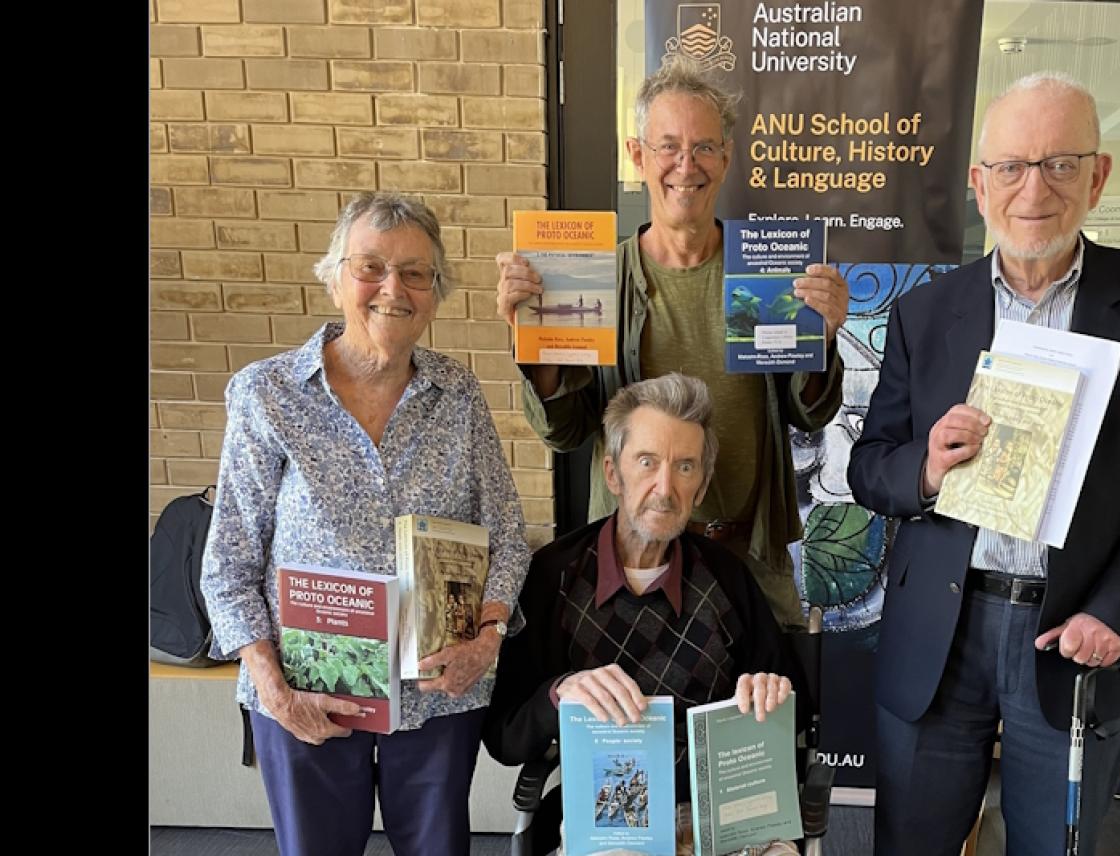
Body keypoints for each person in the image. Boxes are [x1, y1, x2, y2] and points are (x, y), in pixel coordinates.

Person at [846, 71, 1120, 855]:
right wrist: (929, 467)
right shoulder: (926, 310)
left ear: (1098, 175)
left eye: (1059, 163)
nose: (1034, 189)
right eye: (1012, 166)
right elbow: (870, 468)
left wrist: (1117, 613)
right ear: (980, 185)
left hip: (1072, 636)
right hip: (939, 637)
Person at [200, 191, 532, 856]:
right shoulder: (268, 396)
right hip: (307, 693)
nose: (393, 289)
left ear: (435, 293)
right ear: (333, 277)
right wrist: (274, 689)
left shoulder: (457, 395)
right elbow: (228, 563)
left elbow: (507, 535)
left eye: (416, 273)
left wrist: (487, 639)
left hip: (438, 694)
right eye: (371, 268)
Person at [494, 56, 848, 630]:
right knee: (634, 716)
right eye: (668, 147)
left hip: (750, 558)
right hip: (635, 560)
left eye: (705, 147)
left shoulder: (766, 271)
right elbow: (565, 432)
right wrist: (538, 348)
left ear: (727, 158)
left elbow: (810, 413)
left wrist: (822, 338)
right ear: (637, 156)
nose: (687, 165)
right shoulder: (595, 277)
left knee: (759, 716)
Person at [483, 373, 805, 856]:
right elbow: (505, 739)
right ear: (613, 473)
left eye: (685, 467)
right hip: (612, 811)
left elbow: (787, 708)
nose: (664, 487)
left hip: (719, 812)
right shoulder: (554, 577)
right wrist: (559, 693)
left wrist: (770, 693)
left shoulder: (727, 577)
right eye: (647, 462)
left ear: (701, 485)